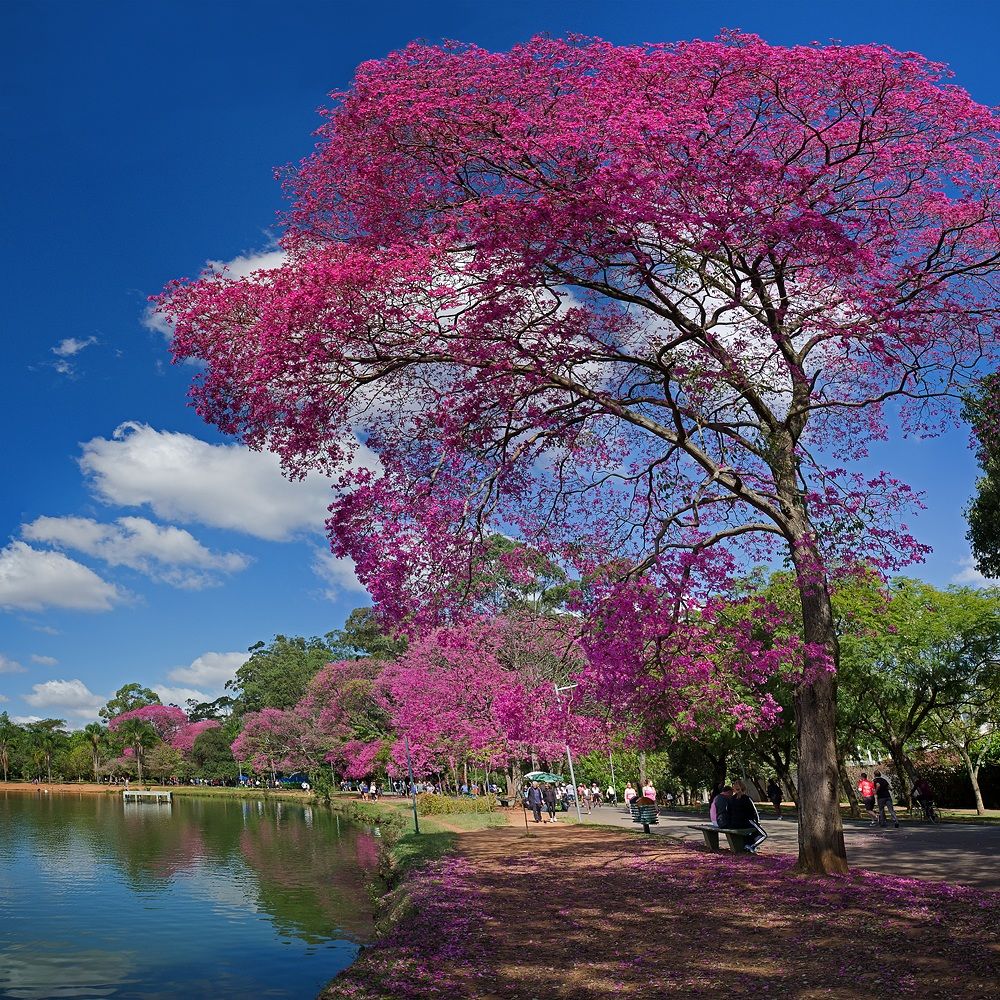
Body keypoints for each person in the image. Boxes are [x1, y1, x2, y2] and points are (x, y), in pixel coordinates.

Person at [729, 780, 768, 853]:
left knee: (750, 833)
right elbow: (754, 811)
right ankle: (751, 846)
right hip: (746, 821)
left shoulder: (731, 799)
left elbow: (729, 811)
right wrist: (758, 822)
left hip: (734, 823)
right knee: (763, 834)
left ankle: (748, 844)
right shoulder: (746, 798)